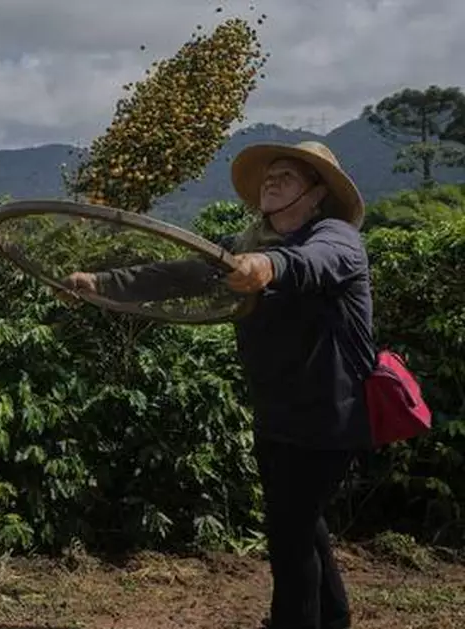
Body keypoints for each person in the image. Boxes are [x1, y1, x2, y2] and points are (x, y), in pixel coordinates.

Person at [63, 141, 374, 629]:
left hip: (329, 414)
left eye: (288, 176)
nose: (272, 180)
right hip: (275, 410)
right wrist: (102, 282)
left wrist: (266, 267)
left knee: (289, 533)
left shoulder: (335, 236)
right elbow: (181, 274)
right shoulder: (247, 242)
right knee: (300, 520)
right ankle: (334, 618)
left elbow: (311, 263)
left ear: (317, 194)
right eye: (270, 174)